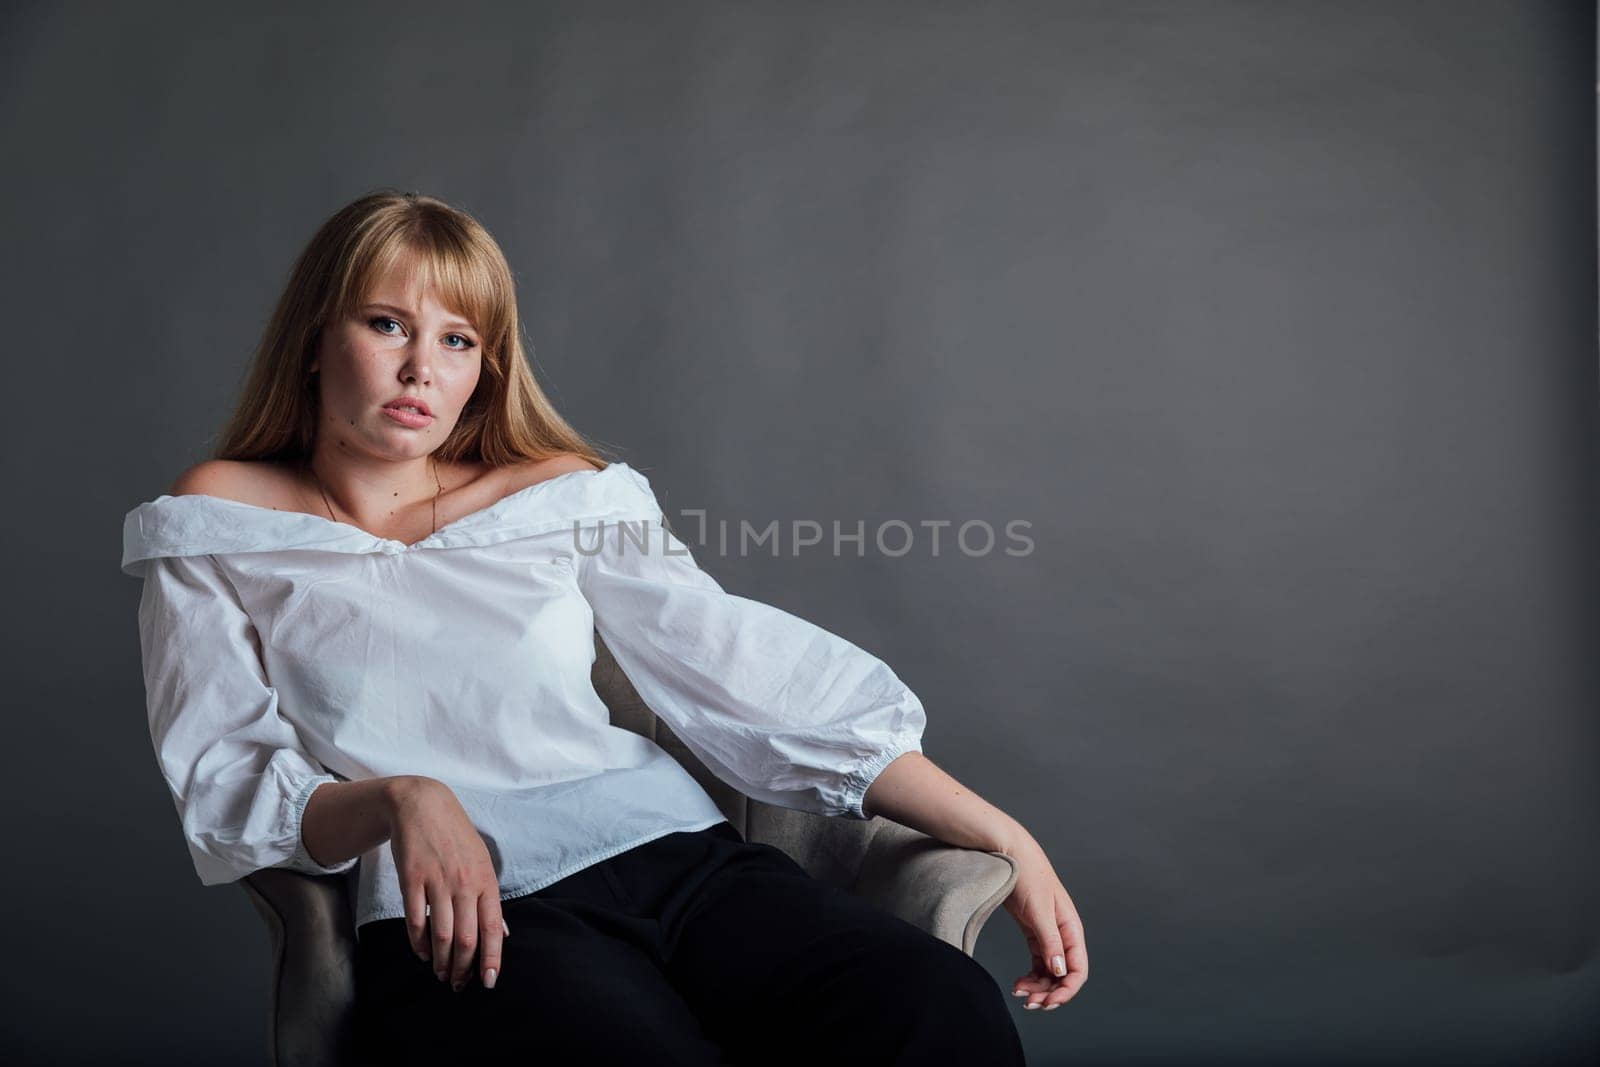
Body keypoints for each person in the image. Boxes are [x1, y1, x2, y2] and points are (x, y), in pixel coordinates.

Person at [119, 190, 1084, 1064]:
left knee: (932, 1001)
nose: (422, 367)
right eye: (387, 324)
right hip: (473, 911)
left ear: (485, 369)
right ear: (317, 337)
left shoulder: (556, 495)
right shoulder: (219, 520)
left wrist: (1006, 836)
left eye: (459, 340)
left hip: (679, 858)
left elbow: (740, 669)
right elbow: (227, 772)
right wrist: (400, 799)